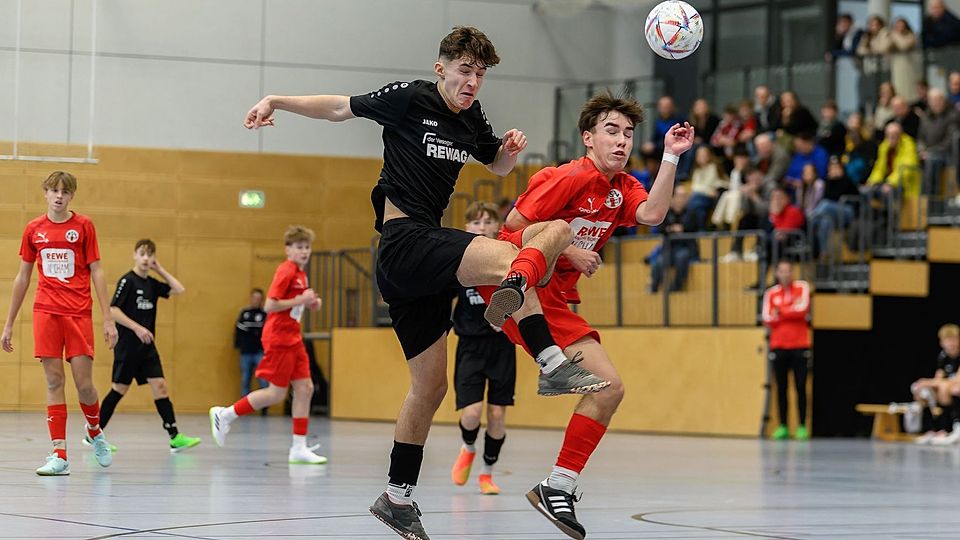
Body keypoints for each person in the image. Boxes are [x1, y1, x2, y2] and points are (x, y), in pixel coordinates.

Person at [240, 27, 609, 540]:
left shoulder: (473, 117)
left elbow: (497, 166)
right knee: (514, 255)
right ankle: (550, 361)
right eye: (464, 70)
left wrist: (507, 151)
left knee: (431, 385)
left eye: (480, 74)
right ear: (442, 69)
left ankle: (397, 496)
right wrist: (276, 98)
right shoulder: (410, 98)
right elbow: (338, 108)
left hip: (421, 265)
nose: (472, 81)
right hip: (403, 239)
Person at [480, 92, 694, 539]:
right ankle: (524, 316)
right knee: (547, 237)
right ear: (588, 138)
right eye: (611, 131)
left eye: (629, 134)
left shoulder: (623, 188)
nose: (621, 141)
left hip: (556, 298)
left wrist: (672, 157)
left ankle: (558, 485)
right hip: (516, 275)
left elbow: (653, 214)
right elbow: (513, 228)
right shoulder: (569, 176)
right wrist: (571, 249)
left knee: (610, 388)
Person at [1, 171, 118, 475]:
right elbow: (23, 277)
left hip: (78, 313)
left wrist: (108, 319)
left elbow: (98, 273)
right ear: (45, 193)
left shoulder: (84, 226)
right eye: (53, 191)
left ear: (71, 196)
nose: (58, 196)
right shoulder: (33, 230)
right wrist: (9, 323)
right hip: (46, 313)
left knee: (84, 385)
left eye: (64, 192)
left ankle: (94, 430)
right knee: (54, 382)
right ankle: (59, 452)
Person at [209, 226, 326, 465]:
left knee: (305, 389)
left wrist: (310, 303)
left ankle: (298, 447)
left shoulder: (301, 273)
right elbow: (270, 305)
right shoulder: (285, 270)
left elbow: (295, 304)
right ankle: (225, 414)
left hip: (294, 338)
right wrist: (300, 299)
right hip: (279, 338)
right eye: (299, 247)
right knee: (276, 393)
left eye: (307, 247)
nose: (304, 251)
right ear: (288, 249)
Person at [98, 239, 201, 453]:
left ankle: (174, 436)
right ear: (134, 255)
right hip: (128, 346)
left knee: (160, 385)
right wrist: (137, 328)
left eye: (150, 255)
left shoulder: (152, 284)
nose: (146, 258)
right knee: (119, 389)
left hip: (147, 348)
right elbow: (113, 310)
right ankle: (94, 434)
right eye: (142, 254)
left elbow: (178, 289)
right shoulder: (127, 281)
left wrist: (160, 269)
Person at [450, 202, 517, 496]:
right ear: (467, 229)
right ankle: (467, 447)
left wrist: (507, 319)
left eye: (486, 222)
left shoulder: (507, 259)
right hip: (470, 345)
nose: (481, 227)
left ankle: (487, 473)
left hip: (501, 346)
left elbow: (522, 294)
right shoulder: (458, 262)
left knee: (498, 415)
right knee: (472, 413)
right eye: (475, 223)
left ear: (495, 226)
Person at [762, 260, 811, 441]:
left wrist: (781, 312)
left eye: (788, 270)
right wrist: (789, 310)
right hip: (779, 346)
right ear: (776, 273)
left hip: (799, 346)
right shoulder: (771, 293)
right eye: (781, 271)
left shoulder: (802, 287)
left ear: (793, 272)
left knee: (800, 387)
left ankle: (801, 426)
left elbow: (802, 310)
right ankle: (782, 425)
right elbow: (768, 318)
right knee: (781, 388)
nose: (785, 274)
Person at [913, 324, 960, 444]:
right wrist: (926, 384)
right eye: (947, 340)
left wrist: (930, 382)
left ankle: (951, 427)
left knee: (949, 388)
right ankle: (933, 428)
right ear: (941, 342)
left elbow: (957, 380)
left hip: (955, 388)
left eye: (953, 339)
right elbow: (938, 378)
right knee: (923, 390)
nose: (951, 343)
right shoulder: (943, 356)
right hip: (949, 388)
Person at [649, 185, 700, 292]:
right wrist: (673, 228)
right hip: (670, 247)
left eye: (685, 196)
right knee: (659, 261)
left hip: (685, 246)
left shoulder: (692, 213)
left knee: (681, 257)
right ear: (673, 198)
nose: (682, 199)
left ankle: (676, 288)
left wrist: (682, 228)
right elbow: (660, 229)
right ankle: (654, 287)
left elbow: (693, 227)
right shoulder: (667, 213)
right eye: (680, 196)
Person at [809, 157, 859, 259]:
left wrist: (839, 179)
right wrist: (831, 181)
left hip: (848, 211)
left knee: (825, 204)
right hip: (833, 213)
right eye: (832, 168)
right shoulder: (828, 182)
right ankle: (823, 252)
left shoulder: (847, 180)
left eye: (837, 167)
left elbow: (837, 197)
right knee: (825, 221)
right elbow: (828, 196)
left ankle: (811, 220)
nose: (834, 170)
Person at [918, 88, 959, 195]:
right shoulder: (925, 116)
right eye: (933, 100)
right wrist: (921, 150)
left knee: (932, 160)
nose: (936, 103)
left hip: (948, 154)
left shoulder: (953, 115)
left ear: (944, 101)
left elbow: (950, 141)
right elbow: (920, 137)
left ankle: (932, 200)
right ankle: (923, 201)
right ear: (929, 102)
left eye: (938, 100)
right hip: (927, 153)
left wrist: (930, 151)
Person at [236, 288, 267, 396]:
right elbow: (240, 327)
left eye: (258, 298)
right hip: (246, 351)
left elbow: (263, 329)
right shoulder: (244, 313)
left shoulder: (264, 314)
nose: (256, 300)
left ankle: (264, 407)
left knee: (263, 380)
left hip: (260, 351)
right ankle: (243, 408)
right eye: (254, 298)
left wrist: (252, 328)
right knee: (245, 379)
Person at [888, 18, 919, 102]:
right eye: (897, 26)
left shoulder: (911, 36)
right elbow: (883, 48)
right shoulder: (892, 37)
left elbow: (903, 46)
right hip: (896, 66)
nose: (899, 28)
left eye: (901, 26)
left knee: (908, 88)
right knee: (897, 86)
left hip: (908, 66)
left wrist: (894, 35)